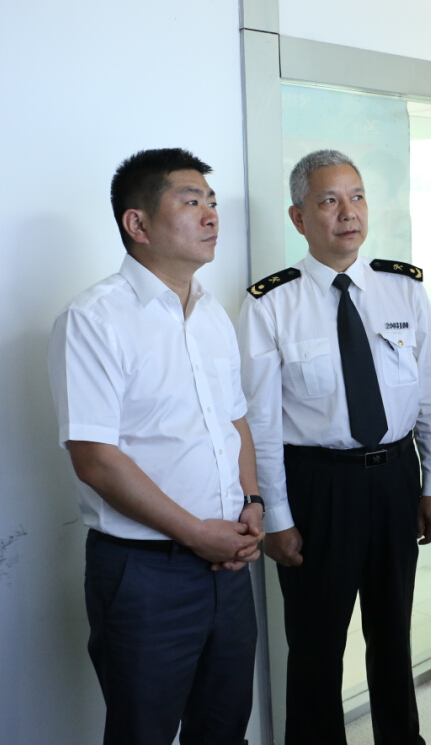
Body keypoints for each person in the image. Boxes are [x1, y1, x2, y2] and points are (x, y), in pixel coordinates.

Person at [237, 149, 431, 744]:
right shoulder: (270, 303)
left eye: (356, 197)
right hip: (317, 485)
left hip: (395, 480)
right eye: (329, 201)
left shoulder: (402, 289)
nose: (348, 212)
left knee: (394, 635)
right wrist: (277, 516)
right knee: (316, 646)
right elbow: (259, 424)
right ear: (298, 217)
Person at [47, 148, 264, 745]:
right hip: (145, 574)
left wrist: (251, 501)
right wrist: (196, 533)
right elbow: (95, 460)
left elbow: (235, 422)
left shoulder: (212, 314)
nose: (211, 215)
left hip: (228, 566)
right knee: (142, 733)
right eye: (191, 202)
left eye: (212, 202)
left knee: (224, 729)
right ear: (137, 224)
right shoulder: (93, 320)